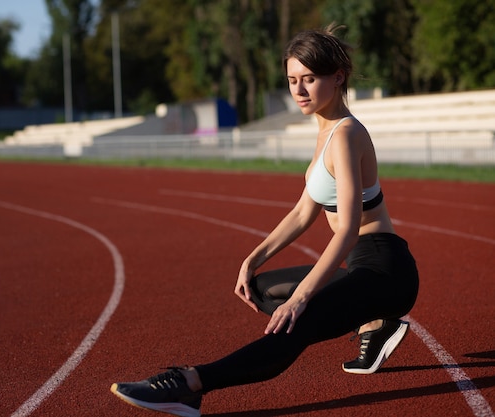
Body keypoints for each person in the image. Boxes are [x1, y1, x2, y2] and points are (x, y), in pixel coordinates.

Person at [110, 24, 419, 417]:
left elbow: (347, 229)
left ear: (337, 77)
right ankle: (375, 324)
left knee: (293, 321)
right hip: (361, 266)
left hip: (387, 271)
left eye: (309, 79)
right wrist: (252, 258)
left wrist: (302, 296)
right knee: (259, 287)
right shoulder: (325, 133)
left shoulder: (346, 135)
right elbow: (304, 212)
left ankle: (190, 384)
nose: (299, 90)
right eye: (292, 80)